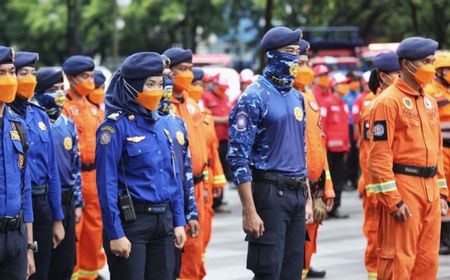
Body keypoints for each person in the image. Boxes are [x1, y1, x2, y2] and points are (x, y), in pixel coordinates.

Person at [227, 26, 312, 279]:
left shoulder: (297, 98)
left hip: (296, 192)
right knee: (268, 272)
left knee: (293, 270)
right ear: (273, 55)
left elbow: (301, 149)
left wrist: (307, 196)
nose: (295, 59)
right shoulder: (254, 97)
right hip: (270, 193)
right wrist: (249, 210)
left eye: (297, 53)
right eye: (289, 52)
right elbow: (237, 156)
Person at [96, 51, 186, 280]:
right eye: (149, 84)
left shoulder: (163, 124)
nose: (156, 91)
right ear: (133, 87)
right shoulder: (114, 127)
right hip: (132, 223)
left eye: (159, 84)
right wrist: (115, 232)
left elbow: (172, 176)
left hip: (163, 222)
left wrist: (179, 221)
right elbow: (106, 185)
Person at [368, 37, 449, 279]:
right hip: (405, 186)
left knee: (427, 261)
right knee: (399, 261)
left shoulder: (429, 101)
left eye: (432, 62)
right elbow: (379, 157)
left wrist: (442, 193)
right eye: (425, 62)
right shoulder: (387, 102)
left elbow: (436, 150)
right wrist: (393, 200)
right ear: (405, 64)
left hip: (430, 188)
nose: (431, 68)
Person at [9, 51, 65, 280]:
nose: (30, 79)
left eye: (33, 74)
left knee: (41, 271)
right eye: (23, 73)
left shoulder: (40, 116)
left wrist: (58, 218)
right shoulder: (7, 116)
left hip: (42, 204)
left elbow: (52, 170)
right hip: (16, 207)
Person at [163, 47, 209, 280]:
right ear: (168, 73)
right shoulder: (163, 107)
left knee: (198, 244)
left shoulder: (191, 103)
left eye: (190, 69)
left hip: (199, 186)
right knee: (183, 247)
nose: (188, 75)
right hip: (176, 187)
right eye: (182, 70)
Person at [34, 68, 84, 280]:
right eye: (53, 90)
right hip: (43, 201)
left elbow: (75, 164)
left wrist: (78, 202)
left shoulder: (67, 124)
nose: (59, 94)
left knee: (65, 265)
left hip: (67, 201)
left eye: (61, 89)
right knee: (42, 265)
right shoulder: (33, 122)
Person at [294, 39, 334, 280]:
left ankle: (305, 271)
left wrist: (326, 187)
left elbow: (320, 145)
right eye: (300, 63)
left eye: (308, 63)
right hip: (294, 186)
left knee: (309, 240)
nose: (306, 68)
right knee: (292, 249)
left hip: (315, 184)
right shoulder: (282, 97)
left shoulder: (310, 98)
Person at [61, 55, 105, 280]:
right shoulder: (64, 109)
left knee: (94, 232)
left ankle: (91, 274)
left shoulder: (95, 110)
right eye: (84, 77)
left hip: (95, 178)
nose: (89, 81)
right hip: (76, 179)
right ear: (70, 78)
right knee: (75, 233)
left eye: (91, 76)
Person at [357, 51, 400, 280]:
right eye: (398, 74)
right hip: (376, 185)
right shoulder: (375, 107)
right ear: (384, 77)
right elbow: (368, 152)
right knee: (376, 238)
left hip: (390, 184)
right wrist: (375, 187)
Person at [158, 56, 200, 279]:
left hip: (177, 203)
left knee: (175, 266)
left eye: (167, 79)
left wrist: (189, 213)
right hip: (146, 212)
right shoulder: (130, 121)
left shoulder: (178, 118)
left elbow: (184, 169)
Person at [0, 45, 35, 279]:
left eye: (12, 72)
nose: (10, 79)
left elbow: (25, 189)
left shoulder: (17, 124)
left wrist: (29, 247)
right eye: (1, 73)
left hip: (16, 236)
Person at [189, 67, 226, 278]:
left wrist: (217, 182)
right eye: (196, 84)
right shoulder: (184, 114)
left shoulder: (204, 116)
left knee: (204, 233)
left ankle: (198, 272)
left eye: (201, 85)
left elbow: (212, 152)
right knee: (192, 238)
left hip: (206, 179)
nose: (199, 88)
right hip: (195, 182)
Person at [425, 51, 450, 255]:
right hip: (442, 150)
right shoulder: (431, 92)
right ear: (439, 72)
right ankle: (443, 237)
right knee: (442, 193)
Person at [202, 71, 233, 213]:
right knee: (213, 170)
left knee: (222, 171)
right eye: (221, 88)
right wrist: (224, 120)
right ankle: (214, 201)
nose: (222, 91)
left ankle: (219, 199)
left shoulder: (225, 96)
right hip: (213, 140)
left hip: (225, 140)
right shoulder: (206, 97)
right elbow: (205, 117)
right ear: (214, 85)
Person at [321, 76, 350, 219]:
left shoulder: (343, 104)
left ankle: (335, 208)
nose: (345, 86)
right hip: (329, 150)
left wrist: (347, 145)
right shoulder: (327, 103)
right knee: (327, 179)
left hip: (341, 149)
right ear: (335, 85)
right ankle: (324, 208)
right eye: (342, 84)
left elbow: (345, 127)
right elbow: (323, 124)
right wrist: (323, 145)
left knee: (339, 179)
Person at [343, 72, 361, 191]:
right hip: (349, 126)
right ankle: (348, 178)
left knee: (356, 155)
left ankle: (355, 179)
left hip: (358, 126)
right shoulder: (346, 97)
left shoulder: (359, 96)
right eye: (352, 82)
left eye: (356, 81)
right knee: (349, 154)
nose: (355, 84)